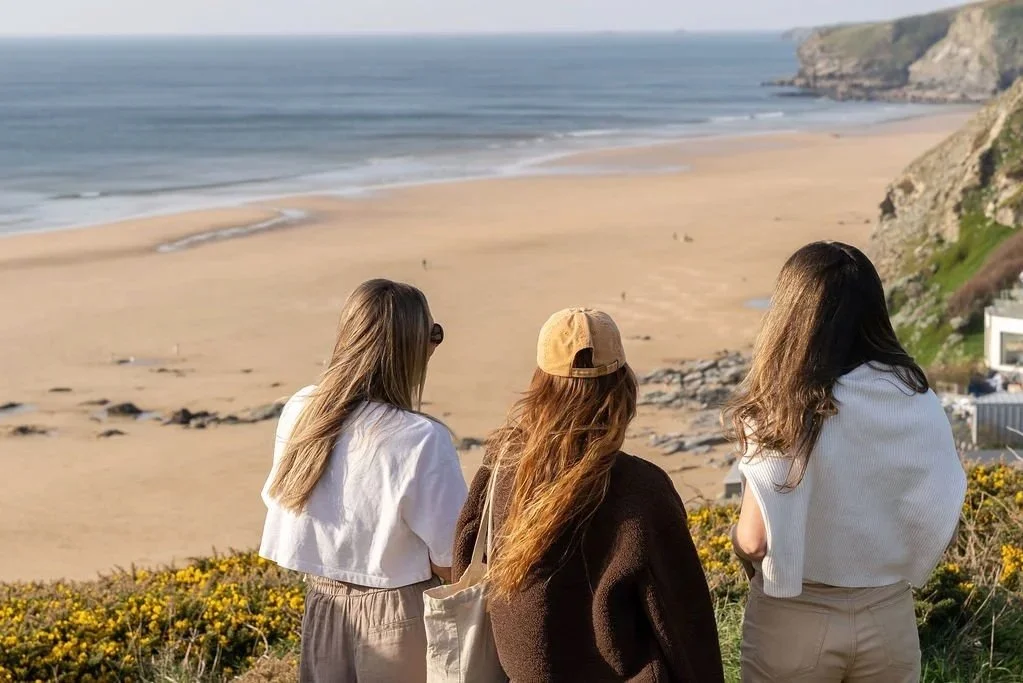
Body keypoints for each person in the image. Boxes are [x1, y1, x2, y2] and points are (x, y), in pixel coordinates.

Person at [724, 242, 967, 683]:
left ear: (789, 318)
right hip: (887, 617)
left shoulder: (781, 407)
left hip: (793, 616)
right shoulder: (914, 398)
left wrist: (741, 553)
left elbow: (755, 539)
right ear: (875, 311)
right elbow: (940, 513)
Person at [452, 308, 725, 683]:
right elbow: (684, 622)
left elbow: (464, 556)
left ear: (540, 386)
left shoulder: (501, 466)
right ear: (623, 387)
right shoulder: (642, 489)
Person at [258, 278, 467, 683]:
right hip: (400, 613)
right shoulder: (421, 438)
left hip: (322, 606)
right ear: (409, 347)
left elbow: (285, 503)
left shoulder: (302, 409)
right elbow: (452, 558)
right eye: (432, 334)